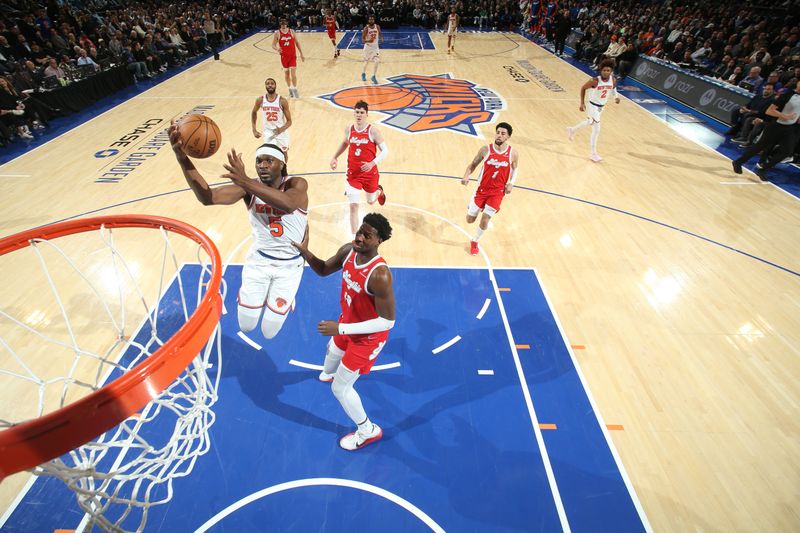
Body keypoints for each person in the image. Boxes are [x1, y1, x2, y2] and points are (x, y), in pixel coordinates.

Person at [169, 123, 309, 340]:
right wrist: (181, 158)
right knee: (247, 326)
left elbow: (289, 204)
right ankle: (253, 295)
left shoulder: (297, 184)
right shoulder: (248, 188)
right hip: (259, 262)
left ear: (282, 164)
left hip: (290, 267)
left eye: (268, 160)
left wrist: (244, 180)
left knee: (269, 332)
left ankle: (286, 299)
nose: (262, 165)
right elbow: (209, 198)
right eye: (258, 161)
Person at [292, 213, 395, 451]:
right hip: (347, 323)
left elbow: (387, 322)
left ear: (379, 240)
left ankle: (367, 430)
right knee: (333, 350)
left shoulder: (379, 275)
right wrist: (306, 252)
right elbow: (324, 269)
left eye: (366, 235)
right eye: (360, 231)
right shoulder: (349, 251)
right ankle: (328, 373)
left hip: (368, 338)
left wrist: (341, 328)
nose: (359, 237)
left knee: (340, 388)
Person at [330, 100, 389, 236]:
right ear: (354, 113)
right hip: (353, 174)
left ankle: (378, 191)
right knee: (354, 206)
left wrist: (372, 163)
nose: (359, 115)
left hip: (370, 174)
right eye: (357, 112)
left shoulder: (373, 131)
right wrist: (335, 157)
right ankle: (354, 239)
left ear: (367, 114)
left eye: (362, 112)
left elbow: (385, 151)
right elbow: (345, 143)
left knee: (370, 201)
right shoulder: (349, 129)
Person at [461, 122, 519, 256]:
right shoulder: (485, 150)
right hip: (481, 190)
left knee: (485, 219)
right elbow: (473, 165)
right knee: (469, 220)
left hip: (497, 192)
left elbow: (515, 168)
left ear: (508, 136)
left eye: (503, 133)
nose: (499, 135)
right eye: (498, 132)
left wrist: (511, 183)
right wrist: (466, 176)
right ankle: (473, 206)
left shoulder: (513, 153)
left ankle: (475, 241)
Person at [732, 79, 800, 181]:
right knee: (759, 147)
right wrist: (784, 116)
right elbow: (769, 111)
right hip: (775, 126)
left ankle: (763, 169)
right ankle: (738, 162)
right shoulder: (787, 95)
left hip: (789, 128)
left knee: (787, 151)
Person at [566, 58, 620, 162]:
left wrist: (616, 97)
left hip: (601, 107)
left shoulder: (613, 80)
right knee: (597, 129)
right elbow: (583, 88)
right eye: (604, 70)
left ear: (611, 71)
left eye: (608, 70)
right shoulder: (595, 80)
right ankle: (593, 153)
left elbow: (613, 89)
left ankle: (572, 130)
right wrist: (582, 103)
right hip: (592, 106)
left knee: (589, 122)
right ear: (601, 70)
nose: (606, 72)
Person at [251, 77, 292, 156]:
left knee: (284, 154)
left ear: (275, 86)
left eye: (272, 84)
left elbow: (289, 121)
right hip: (268, 132)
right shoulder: (260, 100)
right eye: (268, 84)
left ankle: (284, 168)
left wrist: (281, 129)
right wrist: (254, 130)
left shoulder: (282, 101)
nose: (270, 85)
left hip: (281, 132)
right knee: (270, 154)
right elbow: (253, 112)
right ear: (265, 86)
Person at [272, 18, 304, 98]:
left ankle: (295, 89)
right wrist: (277, 49)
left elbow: (297, 42)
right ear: (280, 24)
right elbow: (273, 45)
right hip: (284, 57)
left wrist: (301, 53)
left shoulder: (292, 31)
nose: (283, 25)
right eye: (282, 24)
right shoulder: (277, 33)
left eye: (284, 23)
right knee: (287, 75)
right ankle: (290, 89)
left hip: (292, 56)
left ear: (286, 24)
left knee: (293, 74)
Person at [361, 15, 382, 84]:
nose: (371, 20)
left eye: (372, 19)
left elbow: (380, 33)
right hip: (368, 47)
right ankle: (363, 73)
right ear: (368, 20)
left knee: (377, 61)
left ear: (374, 20)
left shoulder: (377, 26)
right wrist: (369, 41)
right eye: (370, 19)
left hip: (375, 47)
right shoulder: (366, 28)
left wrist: (382, 38)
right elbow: (363, 40)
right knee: (366, 62)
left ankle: (373, 76)